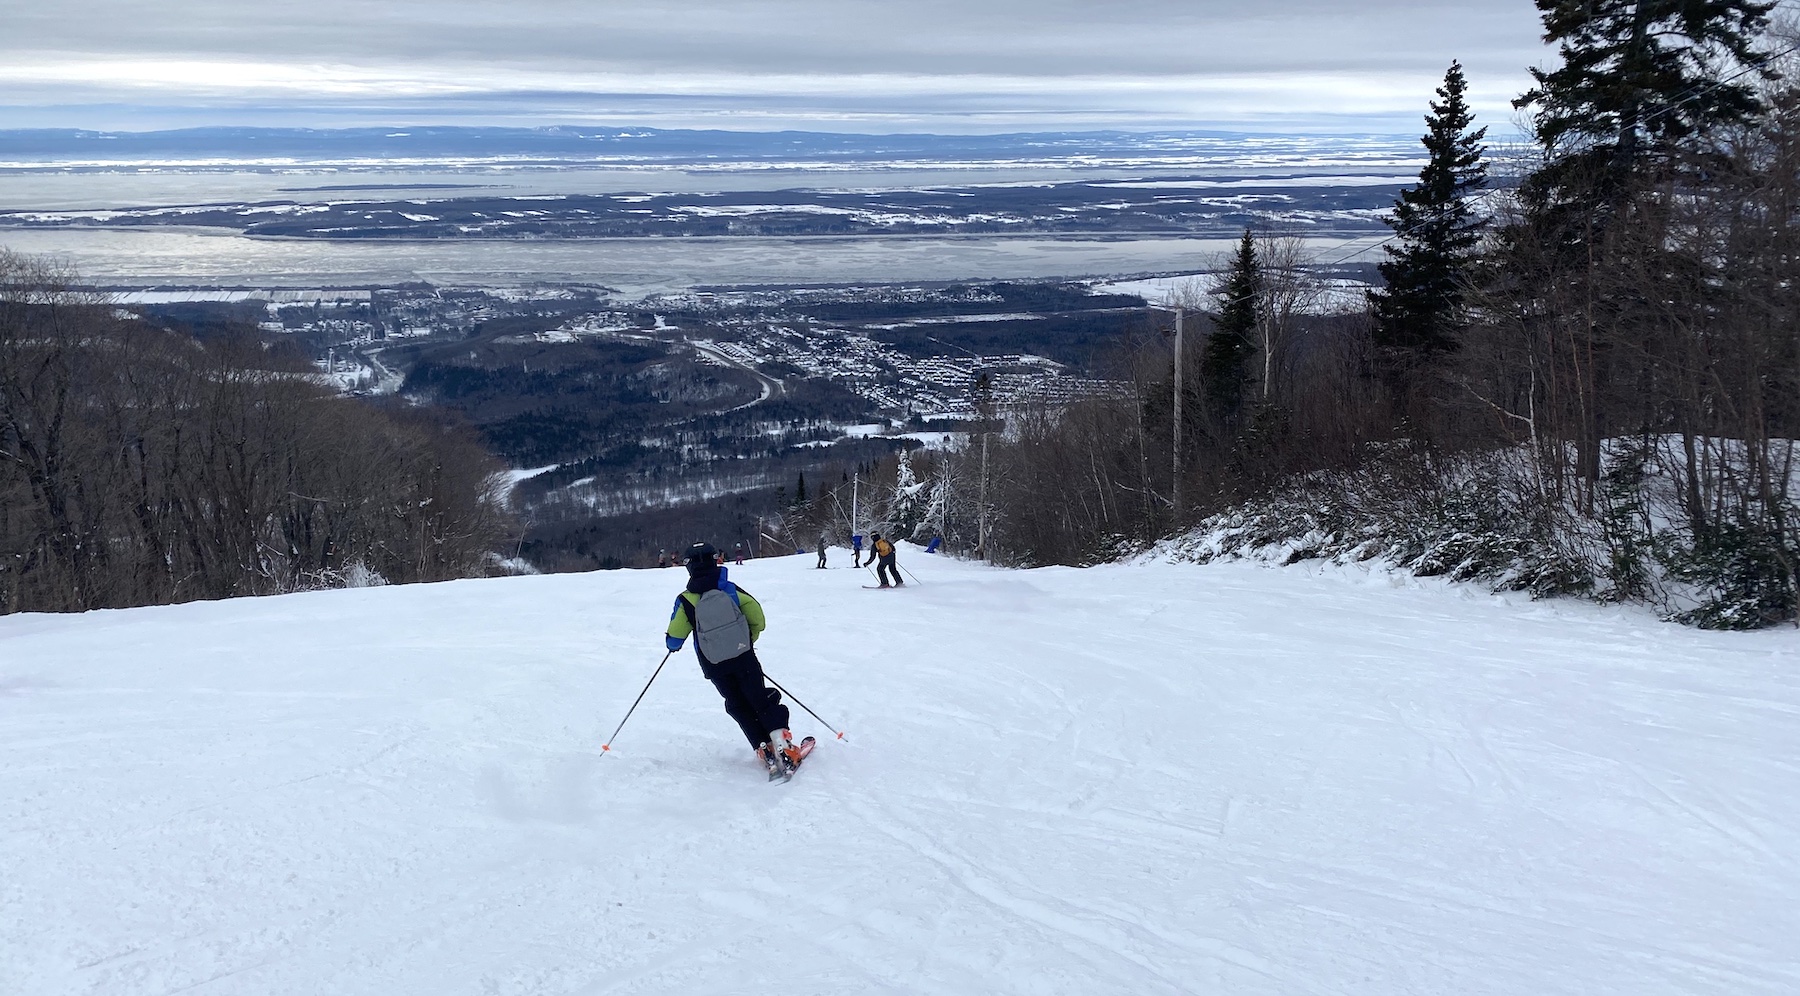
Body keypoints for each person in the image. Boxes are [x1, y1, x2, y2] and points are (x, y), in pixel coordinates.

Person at [664, 541, 804, 775]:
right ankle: (782, 743)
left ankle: (763, 747)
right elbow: (758, 619)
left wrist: (672, 645)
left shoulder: (686, 600)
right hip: (744, 657)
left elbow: (675, 638)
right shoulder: (730, 590)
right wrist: (745, 642)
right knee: (759, 698)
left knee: (737, 703)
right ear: (715, 561)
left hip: (714, 664)